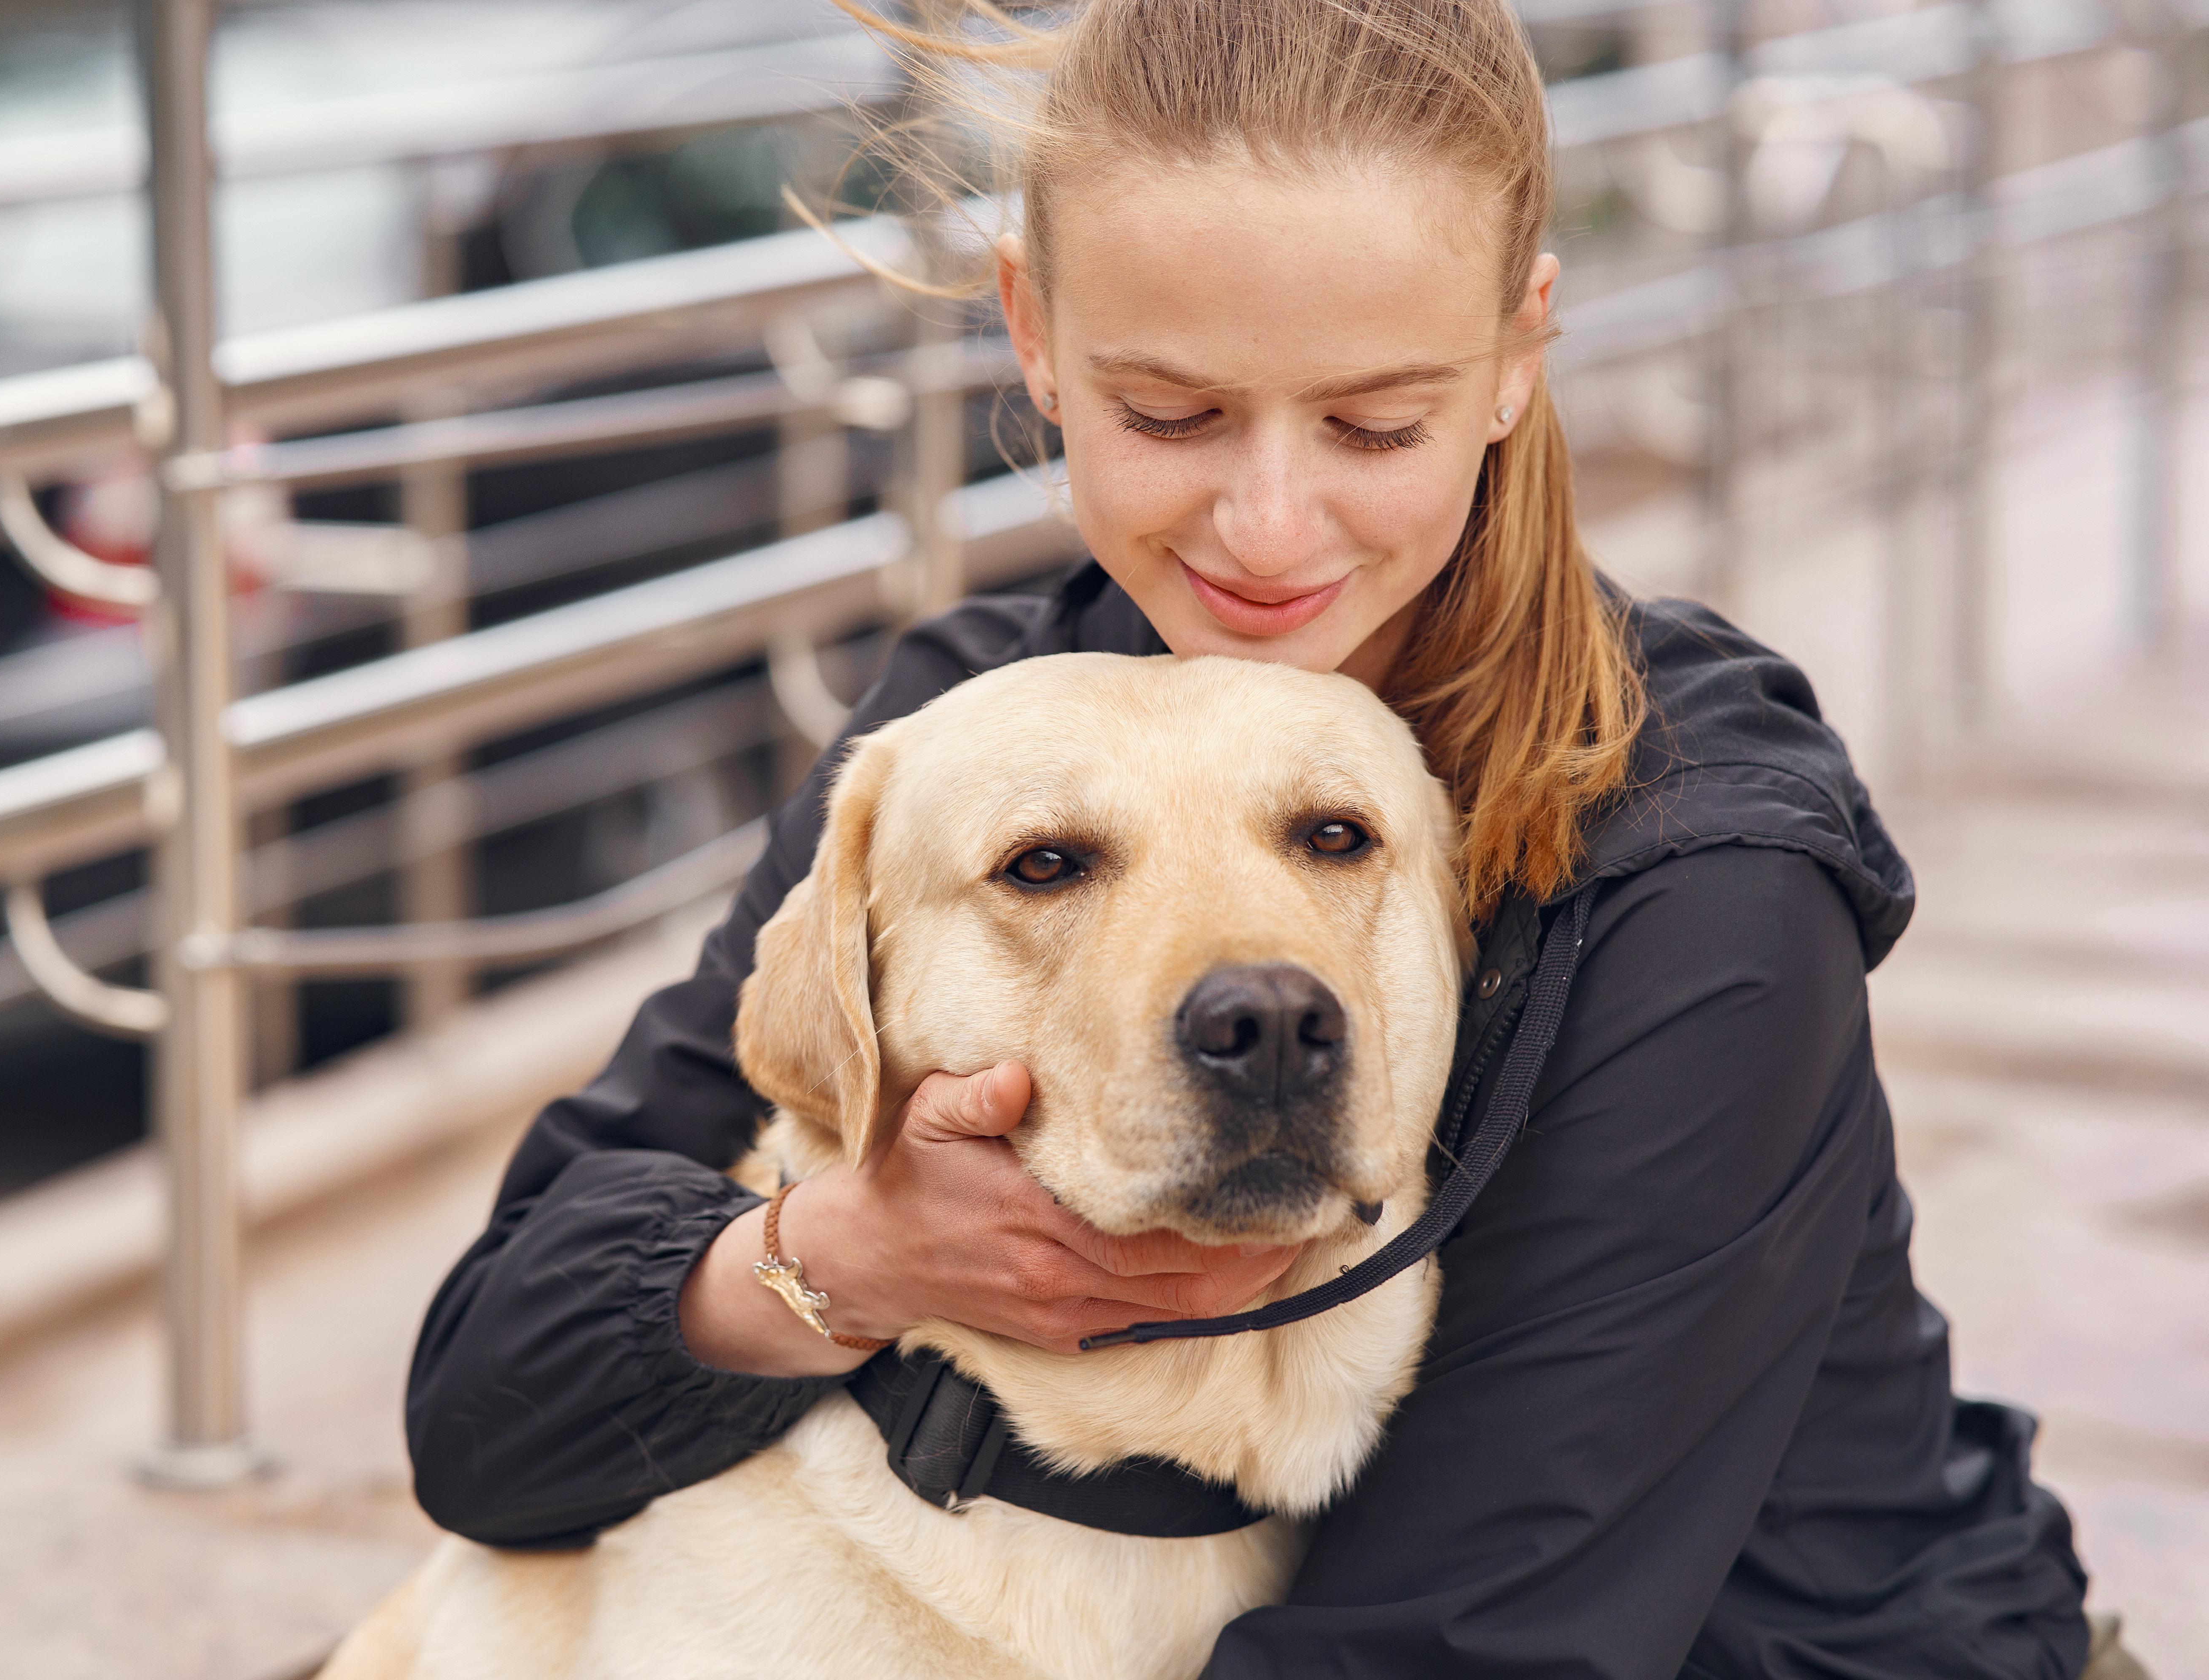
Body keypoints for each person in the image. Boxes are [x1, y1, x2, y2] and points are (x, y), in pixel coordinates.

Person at [402, 0, 2102, 1672]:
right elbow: (486, 1415)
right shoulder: (981, 717)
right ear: (1036, 331)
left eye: (1375, 423)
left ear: (1518, 355)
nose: (1269, 530)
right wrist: (838, 1249)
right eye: (1171, 414)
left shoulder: (1696, 872)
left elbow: (1464, 1648)